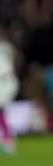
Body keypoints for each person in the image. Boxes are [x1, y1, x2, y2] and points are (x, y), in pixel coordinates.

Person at [0, 27, 17, 155]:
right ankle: (7, 140)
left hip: (5, 84)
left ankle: (8, 141)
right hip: (8, 82)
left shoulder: (4, 47)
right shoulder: (6, 46)